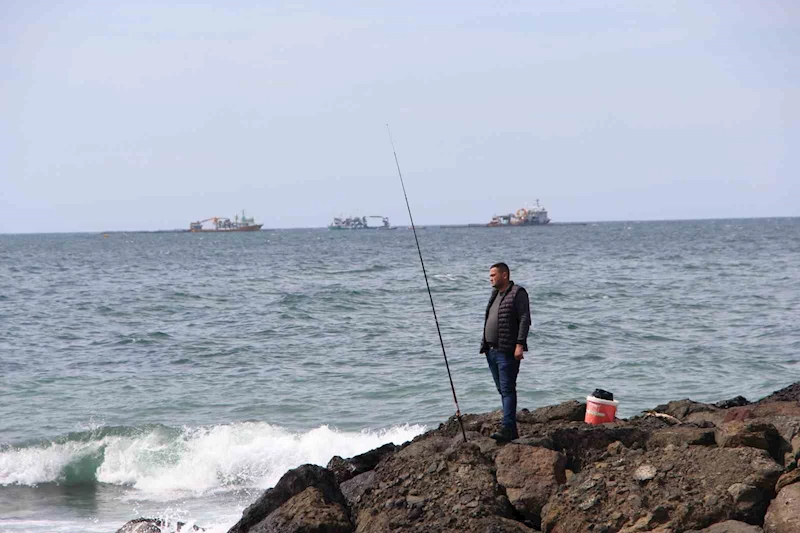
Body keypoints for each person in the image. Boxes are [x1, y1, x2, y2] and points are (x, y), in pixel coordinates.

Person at [480, 262, 531, 442]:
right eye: (490, 275)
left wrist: (520, 344)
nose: (491, 278)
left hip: (507, 350)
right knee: (502, 389)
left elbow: (525, 319)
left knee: (508, 388)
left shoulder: (517, 292)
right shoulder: (495, 295)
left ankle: (508, 427)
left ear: (504, 275)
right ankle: (511, 428)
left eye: (493, 275)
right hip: (491, 350)